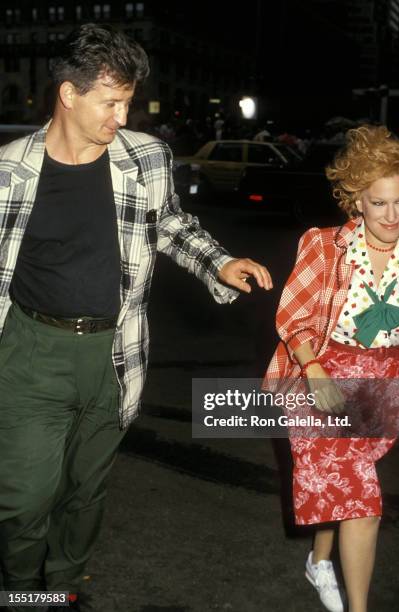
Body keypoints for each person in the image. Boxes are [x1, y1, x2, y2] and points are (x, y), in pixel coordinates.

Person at [0, 24, 272, 611]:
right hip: (30, 352)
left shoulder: (145, 157)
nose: (121, 116)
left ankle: (64, 591)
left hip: (115, 351)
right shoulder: (7, 172)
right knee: (22, 498)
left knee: (85, 491)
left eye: (128, 101)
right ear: (69, 95)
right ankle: (21, 593)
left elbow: (170, 224)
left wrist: (218, 264)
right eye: (111, 102)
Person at [264, 125, 399, 612]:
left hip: (384, 383)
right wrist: (316, 372)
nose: (393, 215)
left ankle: (319, 560)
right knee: (361, 502)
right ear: (356, 201)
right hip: (320, 377)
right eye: (379, 203)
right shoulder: (325, 247)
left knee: (343, 481)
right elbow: (294, 319)